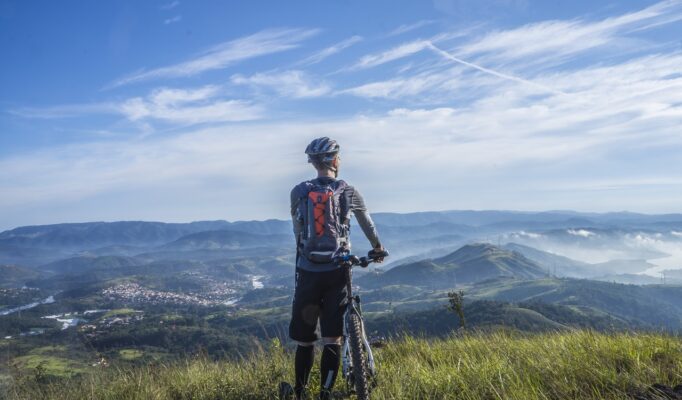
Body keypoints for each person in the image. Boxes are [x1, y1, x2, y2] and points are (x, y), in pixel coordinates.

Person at [284, 137, 385, 400]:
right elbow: (368, 225)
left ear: (313, 163)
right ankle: (326, 393)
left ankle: (300, 393)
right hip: (337, 271)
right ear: (336, 160)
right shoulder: (348, 191)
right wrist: (377, 247)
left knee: (305, 340)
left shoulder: (299, 192)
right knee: (332, 338)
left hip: (307, 271)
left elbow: (297, 230)